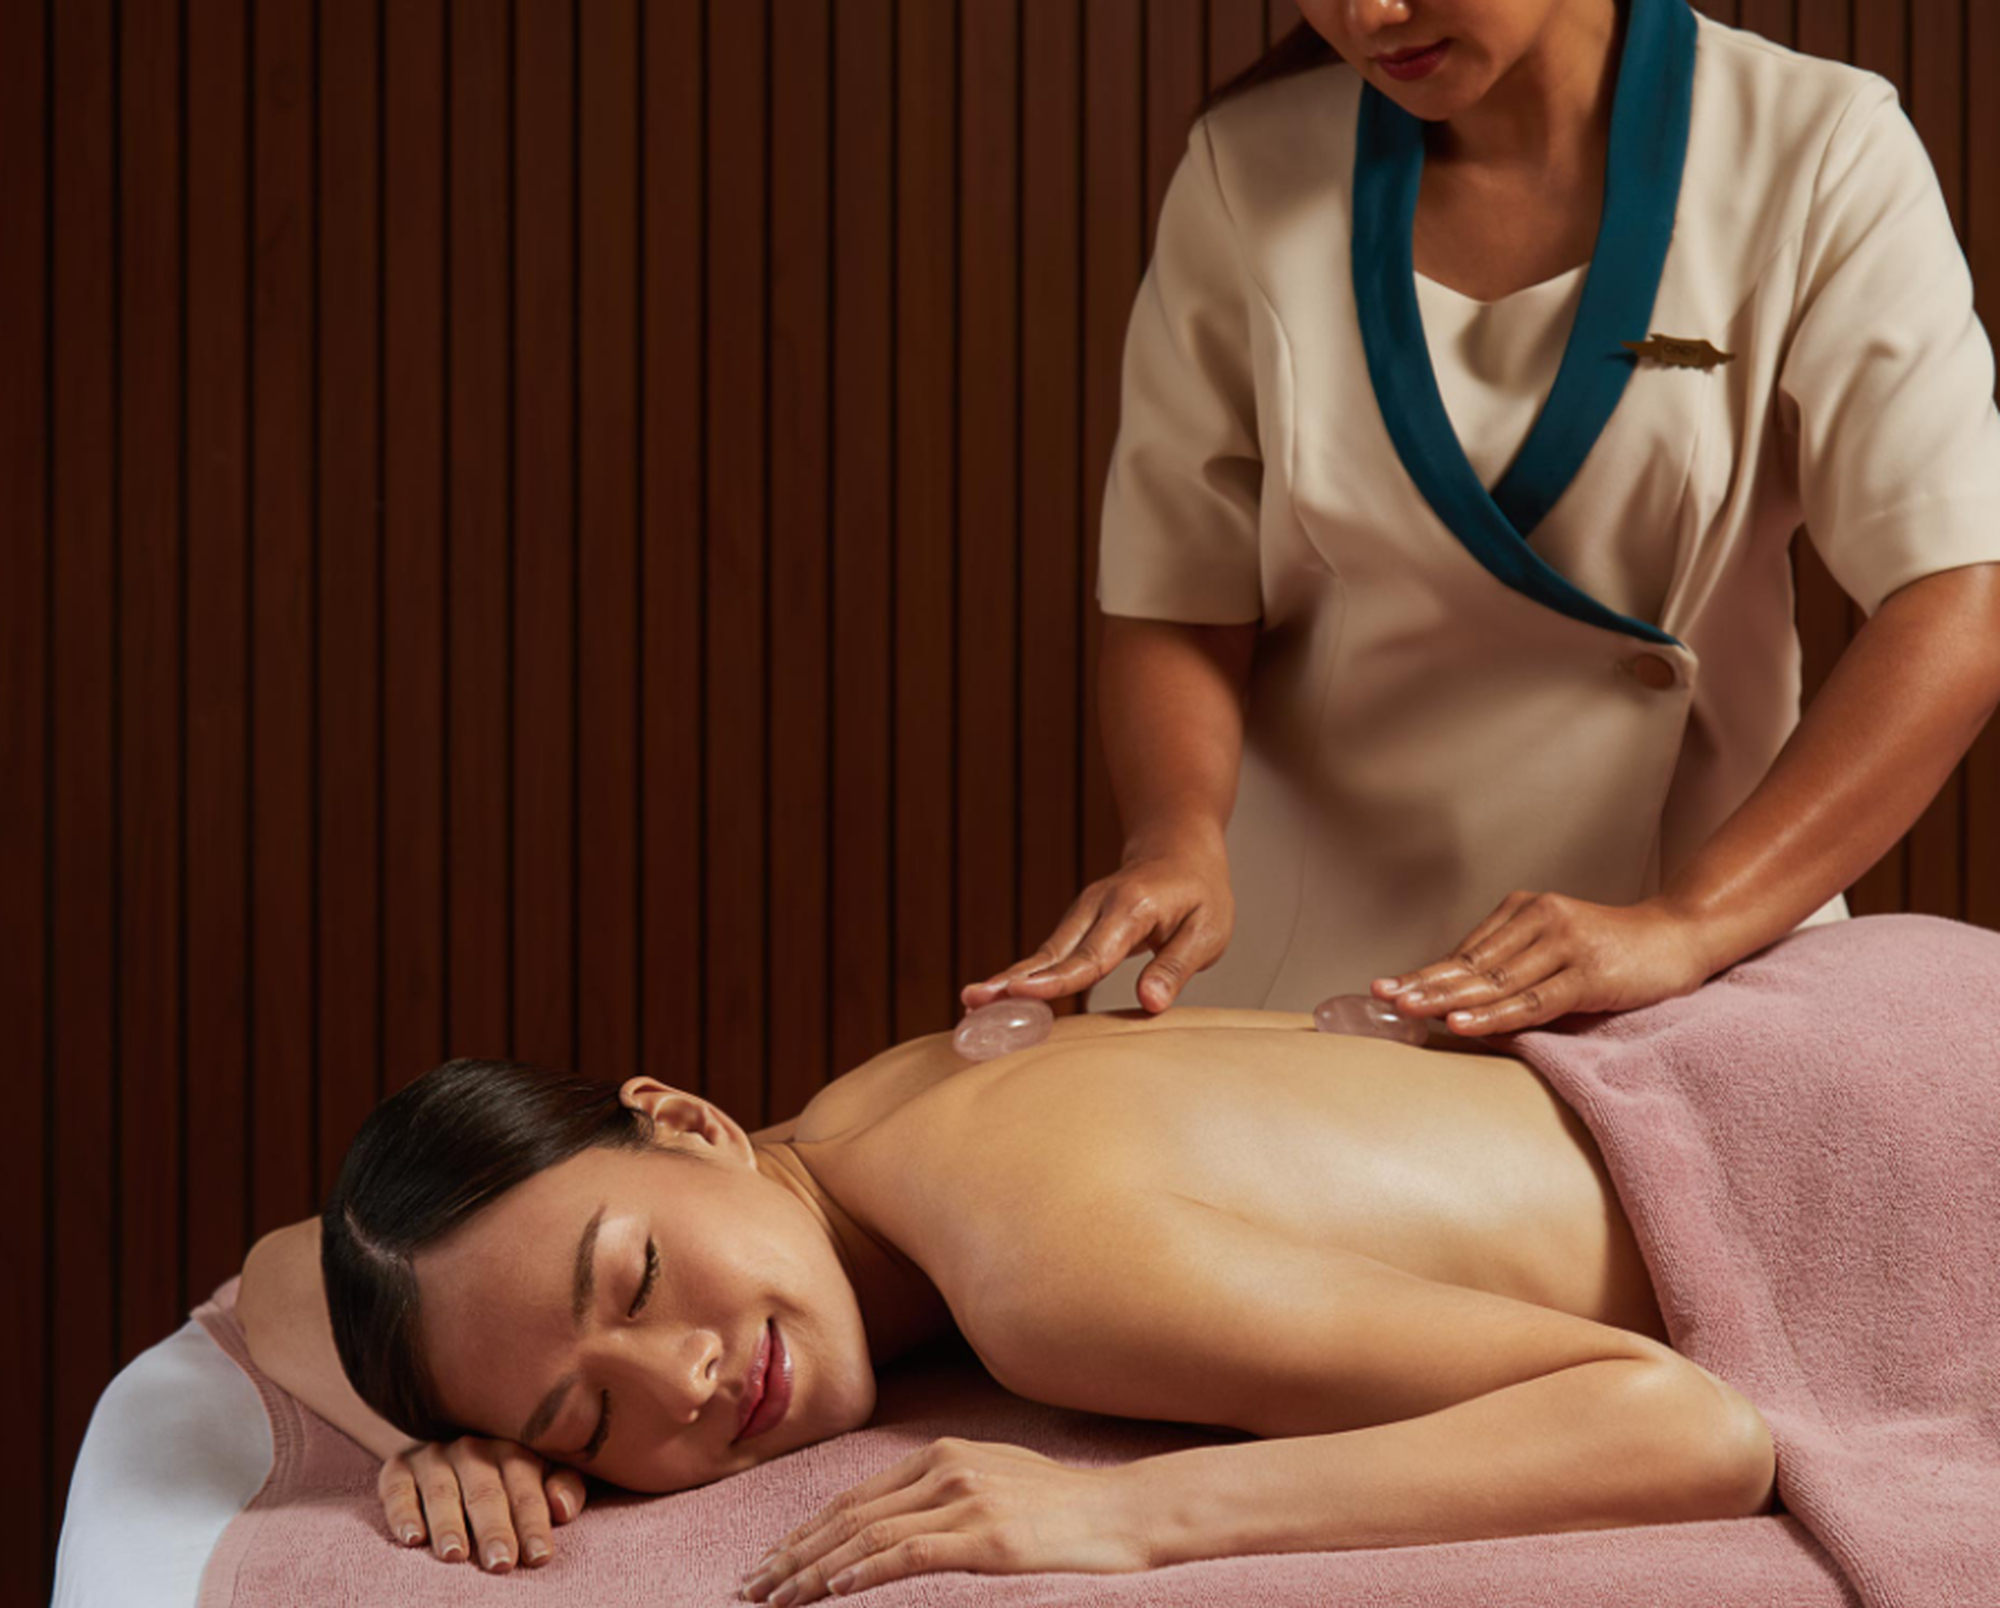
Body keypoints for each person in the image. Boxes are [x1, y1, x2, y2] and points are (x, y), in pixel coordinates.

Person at [964, 0, 2000, 1036]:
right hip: (1292, 970)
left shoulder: (1818, 148)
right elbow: (1181, 594)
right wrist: (1175, 836)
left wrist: (1687, 922)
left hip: (1687, 964)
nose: (1368, 12)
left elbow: (1956, 594)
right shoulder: (1245, 167)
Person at [236, 1007, 1774, 1593]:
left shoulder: (1040, 1273)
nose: (687, 1376)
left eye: (637, 1281)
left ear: (690, 1119)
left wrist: (1132, 1515)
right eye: (590, 1421)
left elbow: (1687, 1431)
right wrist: (434, 1438)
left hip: (1803, 1136)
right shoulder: (855, 1126)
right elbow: (287, 1269)